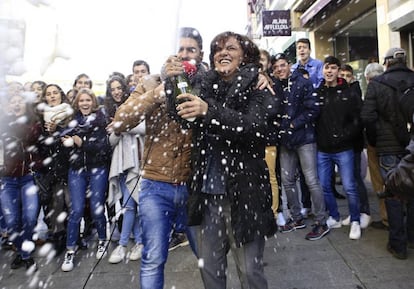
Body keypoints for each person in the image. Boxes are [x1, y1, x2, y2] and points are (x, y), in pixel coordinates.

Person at [177, 31, 277, 289]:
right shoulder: (204, 86)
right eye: (218, 49)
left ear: (244, 55)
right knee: (209, 270)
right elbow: (178, 113)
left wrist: (209, 112)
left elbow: (252, 127)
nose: (223, 53)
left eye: (231, 48)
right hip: (207, 196)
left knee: (250, 272)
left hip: (244, 195)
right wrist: (171, 78)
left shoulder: (259, 86)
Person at [111, 27, 205, 289]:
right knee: (153, 258)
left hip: (194, 187)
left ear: (200, 54)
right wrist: (157, 92)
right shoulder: (151, 82)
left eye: (190, 50)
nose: (184, 55)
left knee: (208, 257)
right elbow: (121, 120)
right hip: (155, 186)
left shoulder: (208, 83)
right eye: (180, 50)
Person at [361, 47, 414, 259]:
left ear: (387, 62)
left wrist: (375, 140)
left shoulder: (377, 84)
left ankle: (398, 244)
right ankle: (412, 237)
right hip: (412, 144)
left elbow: (367, 117)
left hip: (388, 147)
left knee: (393, 193)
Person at [272, 53, 329, 240]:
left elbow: (314, 109)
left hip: (304, 138)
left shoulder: (303, 82)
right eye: (276, 67)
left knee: (311, 180)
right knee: (287, 181)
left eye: (282, 65)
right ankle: (297, 218)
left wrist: (292, 124)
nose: (279, 69)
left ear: (289, 65)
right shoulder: (275, 86)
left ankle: (322, 222)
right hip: (286, 141)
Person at [61, 88, 112, 272]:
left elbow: (103, 148)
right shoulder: (71, 121)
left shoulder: (100, 120)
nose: (84, 103)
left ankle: (102, 239)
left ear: (93, 102)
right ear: (77, 103)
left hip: (97, 168)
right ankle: (70, 249)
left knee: (98, 208)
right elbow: (65, 146)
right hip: (76, 170)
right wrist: (66, 142)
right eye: (81, 100)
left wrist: (82, 143)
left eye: (88, 100)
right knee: (76, 210)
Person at [315, 56, 363, 240]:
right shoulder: (318, 92)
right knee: (325, 186)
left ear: (337, 71)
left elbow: (357, 120)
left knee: (350, 186)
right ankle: (334, 217)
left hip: (344, 148)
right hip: (324, 149)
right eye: (326, 68)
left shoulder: (348, 93)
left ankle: (355, 220)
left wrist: (345, 135)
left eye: (333, 68)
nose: (329, 71)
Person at [105, 75, 145, 264]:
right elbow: (111, 141)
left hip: (138, 164)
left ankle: (125, 245)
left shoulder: (142, 109)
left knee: (133, 206)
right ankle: (134, 242)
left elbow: (145, 129)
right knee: (130, 206)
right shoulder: (113, 111)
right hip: (121, 166)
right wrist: (119, 130)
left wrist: (122, 125)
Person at [0, 92, 42, 271]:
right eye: (13, 101)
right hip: (6, 180)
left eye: (20, 102)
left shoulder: (33, 123)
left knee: (30, 218)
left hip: (28, 178)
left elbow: (29, 136)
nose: (16, 104)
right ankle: (22, 251)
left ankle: (24, 253)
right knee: (11, 221)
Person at [36, 84, 73, 256]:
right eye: (48, 94)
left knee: (72, 203)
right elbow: (39, 145)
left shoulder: (69, 113)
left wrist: (56, 130)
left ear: (61, 95)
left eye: (55, 93)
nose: (52, 96)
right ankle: (59, 237)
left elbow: (71, 137)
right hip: (51, 170)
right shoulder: (40, 118)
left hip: (69, 167)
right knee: (56, 206)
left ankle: (73, 237)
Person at [338, 64, 371, 228]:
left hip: (354, 143)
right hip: (344, 144)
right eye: (342, 74)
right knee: (348, 180)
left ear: (352, 77)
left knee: (355, 178)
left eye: (347, 75)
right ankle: (354, 212)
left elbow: (357, 120)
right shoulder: (340, 92)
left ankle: (364, 211)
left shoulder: (354, 93)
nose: (344, 77)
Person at [259, 49, 284, 226]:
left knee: (271, 177)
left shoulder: (273, 83)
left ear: (268, 63)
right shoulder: (246, 81)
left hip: (268, 139)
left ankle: (274, 212)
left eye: (263, 60)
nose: (260, 63)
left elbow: (275, 108)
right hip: (251, 140)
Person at [362, 62, 388, 230]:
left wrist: (371, 141)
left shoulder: (373, 90)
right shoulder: (392, 87)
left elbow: (368, 118)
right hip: (395, 142)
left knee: (380, 182)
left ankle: (387, 218)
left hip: (378, 142)